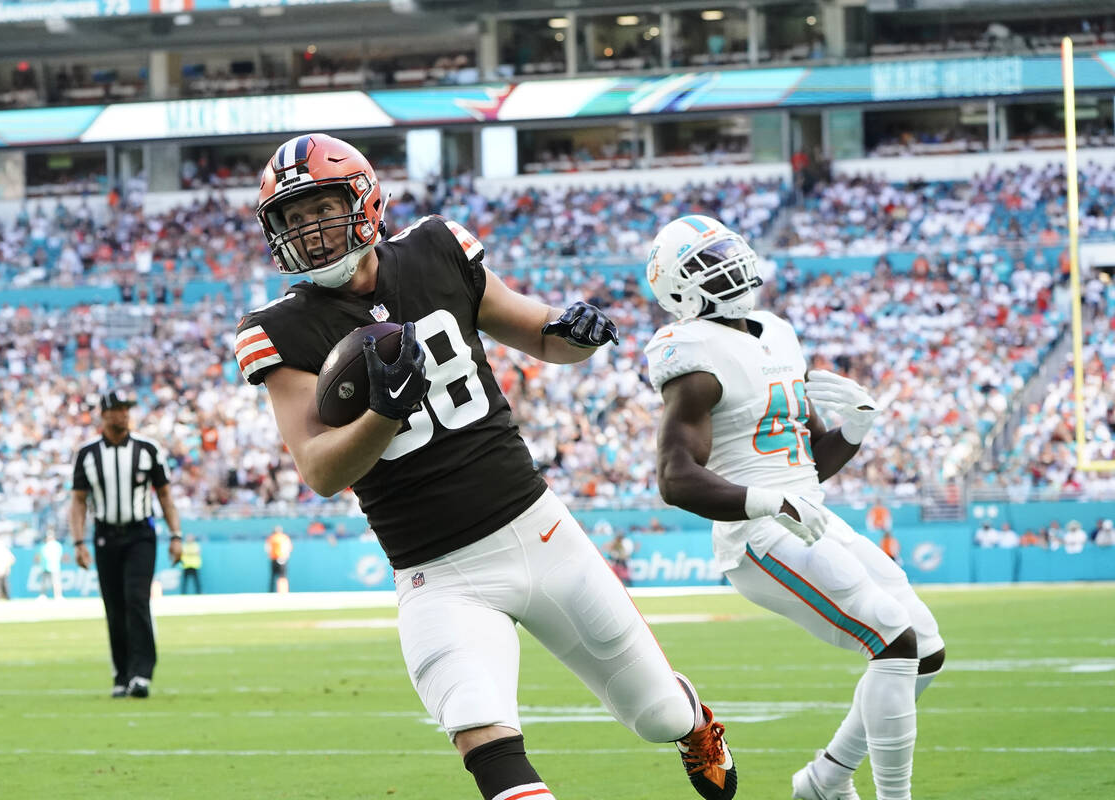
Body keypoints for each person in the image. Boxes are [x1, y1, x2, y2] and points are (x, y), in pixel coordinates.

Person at [232, 133, 735, 800]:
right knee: (478, 723)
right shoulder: (279, 328)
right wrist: (383, 414)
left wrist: (573, 331)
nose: (308, 231)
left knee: (657, 714)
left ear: (363, 200)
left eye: (319, 209)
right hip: (435, 571)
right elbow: (320, 471)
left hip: (539, 532)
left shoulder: (438, 248)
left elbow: (535, 331)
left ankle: (692, 720)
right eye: (291, 220)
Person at [644, 214, 945, 800]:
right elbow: (675, 479)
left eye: (727, 251)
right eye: (708, 263)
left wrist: (853, 432)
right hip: (757, 538)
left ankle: (826, 778)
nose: (728, 266)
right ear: (678, 288)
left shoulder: (776, 332)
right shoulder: (694, 357)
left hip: (806, 516)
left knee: (925, 646)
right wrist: (767, 501)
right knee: (892, 641)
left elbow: (807, 464)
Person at [70, 390, 184, 699]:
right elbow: (78, 501)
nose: (124, 414)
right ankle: (121, 674)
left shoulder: (148, 449)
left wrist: (176, 535)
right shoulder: (88, 453)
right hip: (105, 535)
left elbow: (164, 495)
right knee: (114, 605)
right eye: (118, 409)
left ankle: (141, 673)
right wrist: (78, 541)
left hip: (140, 534)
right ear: (104, 414)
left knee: (136, 598)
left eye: (126, 409)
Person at [35, 532, 64, 600]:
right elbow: (40, 556)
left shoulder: (57, 545)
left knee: (56, 582)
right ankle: (43, 596)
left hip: (54, 566)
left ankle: (58, 596)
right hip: (45, 567)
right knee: (44, 583)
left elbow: (59, 556)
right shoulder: (44, 545)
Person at [265, 525, 293, 593]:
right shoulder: (284, 537)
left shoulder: (272, 537)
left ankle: (272, 592)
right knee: (282, 577)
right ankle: (283, 592)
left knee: (274, 577)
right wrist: (286, 556)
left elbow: (267, 548)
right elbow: (288, 547)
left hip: (274, 558)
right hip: (281, 558)